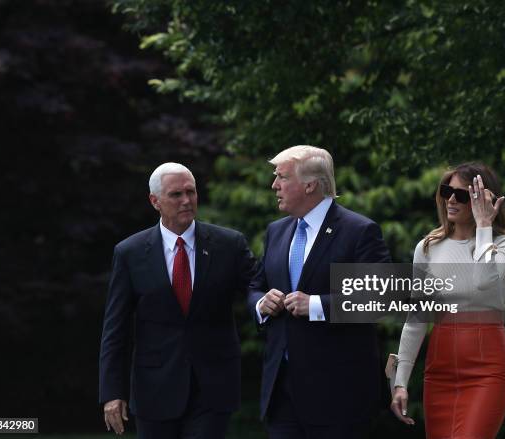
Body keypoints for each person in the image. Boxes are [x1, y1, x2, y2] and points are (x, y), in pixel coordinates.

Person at [99, 163, 255, 439]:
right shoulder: (130, 253)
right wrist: (112, 392)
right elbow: (116, 328)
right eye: (176, 195)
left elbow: (257, 287)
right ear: (154, 201)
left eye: (191, 192)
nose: (186, 201)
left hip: (213, 386)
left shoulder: (228, 244)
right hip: (154, 389)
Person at [248, 145, 391, 439]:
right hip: (282, 393)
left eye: (282, 177)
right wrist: (262, 303)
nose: (274, 185)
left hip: (338, 396)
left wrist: (316, 305)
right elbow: (256, 286)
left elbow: (378, 298)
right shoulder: (276, 231)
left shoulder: (359, 231)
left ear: (310, 184)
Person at [390, 162, 505, 438]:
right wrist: (399, 382)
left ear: (485, 201)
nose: (451, 199)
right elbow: (416, 319)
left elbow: (483, 281)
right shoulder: (428, 247)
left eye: (462, 195)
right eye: (447, 190)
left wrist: (484, 225)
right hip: (441, 364)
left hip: (488, 364)